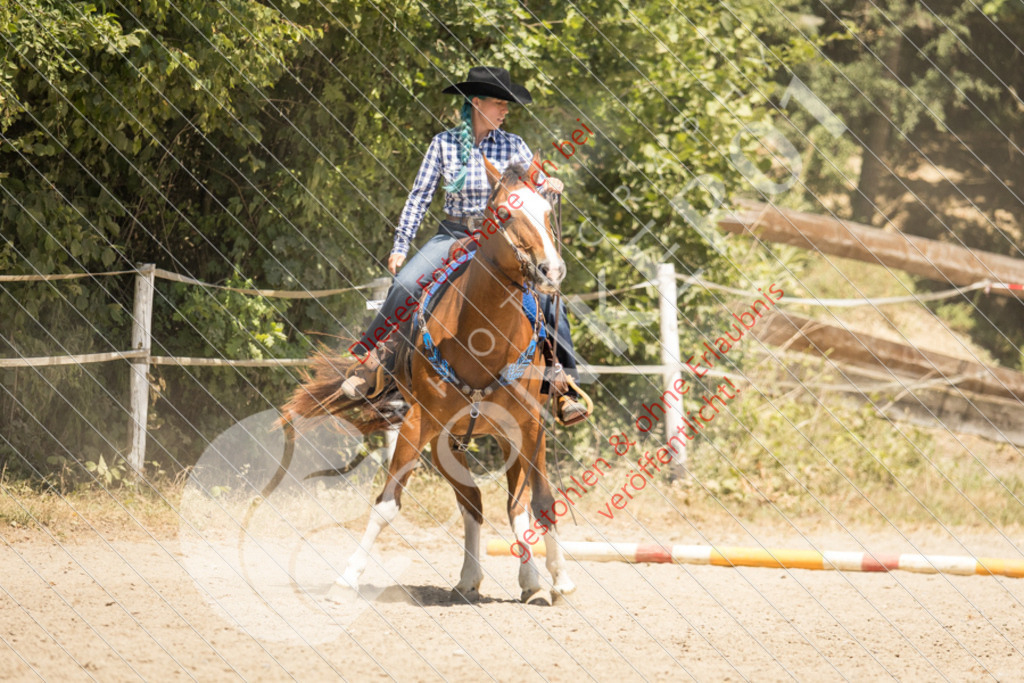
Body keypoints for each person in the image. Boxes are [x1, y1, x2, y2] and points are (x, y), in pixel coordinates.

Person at [342, 66, 588, 424]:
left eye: (507, 105)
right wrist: (400, 246)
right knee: (408, 284)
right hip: (455, 235)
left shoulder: (514, 145)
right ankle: (375, 365)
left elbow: (534, 186)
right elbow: (418, 198)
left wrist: (549, 182)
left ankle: (564, 385)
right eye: (499, 103)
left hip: (504, 241)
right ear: (476, 103)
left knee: (548, 297)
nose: (505, 111)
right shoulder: (443, 144)